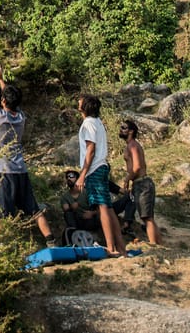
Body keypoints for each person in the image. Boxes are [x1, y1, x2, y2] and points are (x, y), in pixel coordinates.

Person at [0, 53, 55, 248]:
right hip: (20, 170)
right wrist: (2, 81)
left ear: (2, 101)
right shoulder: (21, 118)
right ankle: (51, 242)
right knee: (34, 210)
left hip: (2, 171)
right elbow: (10, 99)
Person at [73, 95, 125, 257]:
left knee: (102, 208)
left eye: (80, 102)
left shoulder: (88, 123)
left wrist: (82, 175)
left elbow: (90, 150)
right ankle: (121, 248)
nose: (78, 103)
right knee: (108, 208)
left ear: (85, 107)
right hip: (102, 166)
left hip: (94, 169)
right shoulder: (98, 122)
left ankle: (111, 248)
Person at [119, 119, 163, 245]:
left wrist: (127, 179)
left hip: (142, 184)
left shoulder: (133, 145)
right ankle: (158, 245)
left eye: (124, 127)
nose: (121, 129)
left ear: (131, 131)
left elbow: (137, 166)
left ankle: (155, 244)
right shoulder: (130, 145)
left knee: (147, 217)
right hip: (139, 184)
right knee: (147, 217)